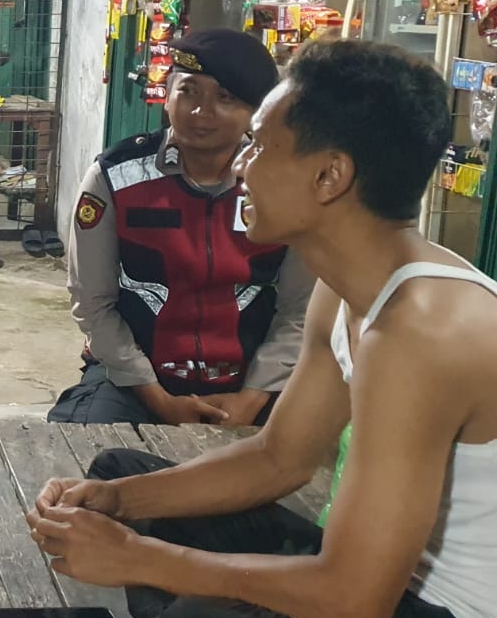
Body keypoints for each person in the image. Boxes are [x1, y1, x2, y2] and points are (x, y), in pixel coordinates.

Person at [28, 41, 497, 618]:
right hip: (388, 594)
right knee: (123, 476)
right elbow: (280, 459)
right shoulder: (350, 286)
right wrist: (118, 506)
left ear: (329, 176)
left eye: (260, 146)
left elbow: (354, 603)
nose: (241, 166)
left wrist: (139, 560)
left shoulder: (421, 331)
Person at [50, 28, 315, 428]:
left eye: (225, 98)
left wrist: (252, 397)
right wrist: (158, 399)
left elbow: (300, 311)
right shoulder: (114, 177)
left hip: (255, 382)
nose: (201, 112)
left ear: (256, 111)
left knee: (311, 450)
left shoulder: (286, 184)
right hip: (133, 382)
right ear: (167, 95)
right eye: (188, 92)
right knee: (83, 446)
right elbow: (92, 303)